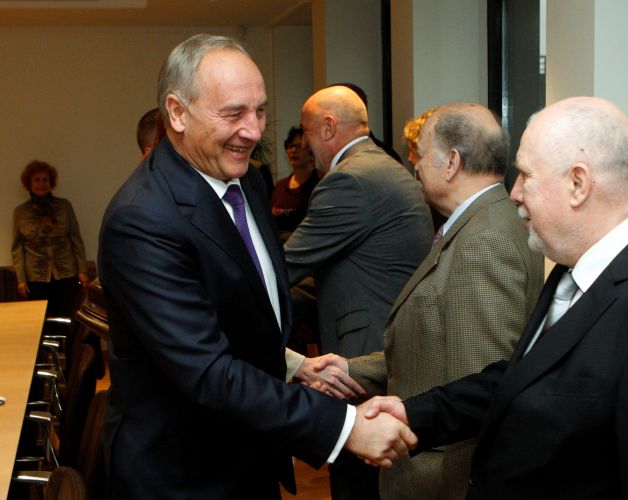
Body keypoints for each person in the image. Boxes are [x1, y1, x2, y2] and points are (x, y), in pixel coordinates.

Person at [363, 96, 628, 499]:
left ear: (577, 184)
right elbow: (525, 380)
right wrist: (416, 414)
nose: (514, 193)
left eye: (526, 175)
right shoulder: (574, 266)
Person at [98, 34, 415, 499]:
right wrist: (346, 427)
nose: (252, 131)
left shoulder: (244, 180)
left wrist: (292, 364)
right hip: (184, 474)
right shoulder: (142, 219)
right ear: (177, 113)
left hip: (249, 453)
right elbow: (206, 370)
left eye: (260, 111)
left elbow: (234, 307)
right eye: (233, 114)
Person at [314, 102, 545, 499]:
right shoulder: (480, 224)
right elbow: (432, 349)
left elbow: (477, 392)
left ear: (452, 162)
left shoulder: (484, 241)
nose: (414, 163)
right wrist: (350, 369)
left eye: (420, 152)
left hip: (443, 480)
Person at [284, 84, 434, 499]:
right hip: (389, 345)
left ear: (328, 127)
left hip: (365, 354)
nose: (305, 144)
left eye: (307, 132)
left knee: (358, 483)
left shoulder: (349, 180)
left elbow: (287, 265)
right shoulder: (383, 167)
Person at [12, 160, 89, 316]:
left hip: (67, 274)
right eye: (36, 180)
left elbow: (76, 239)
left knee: (67, 318)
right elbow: (17, 248)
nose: (41, 184)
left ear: (51, 182)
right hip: (36, 278)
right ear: (29, 184)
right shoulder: (20, 212)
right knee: (41, 320)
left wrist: (82, 270)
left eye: (45, 180)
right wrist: (21, 280)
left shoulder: (64, 206)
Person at [271, 126, 319, 241]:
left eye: (299, 146)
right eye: (290, 146)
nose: (293, 150)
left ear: (311, 151)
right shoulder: (280, 185)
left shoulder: (320, 184)